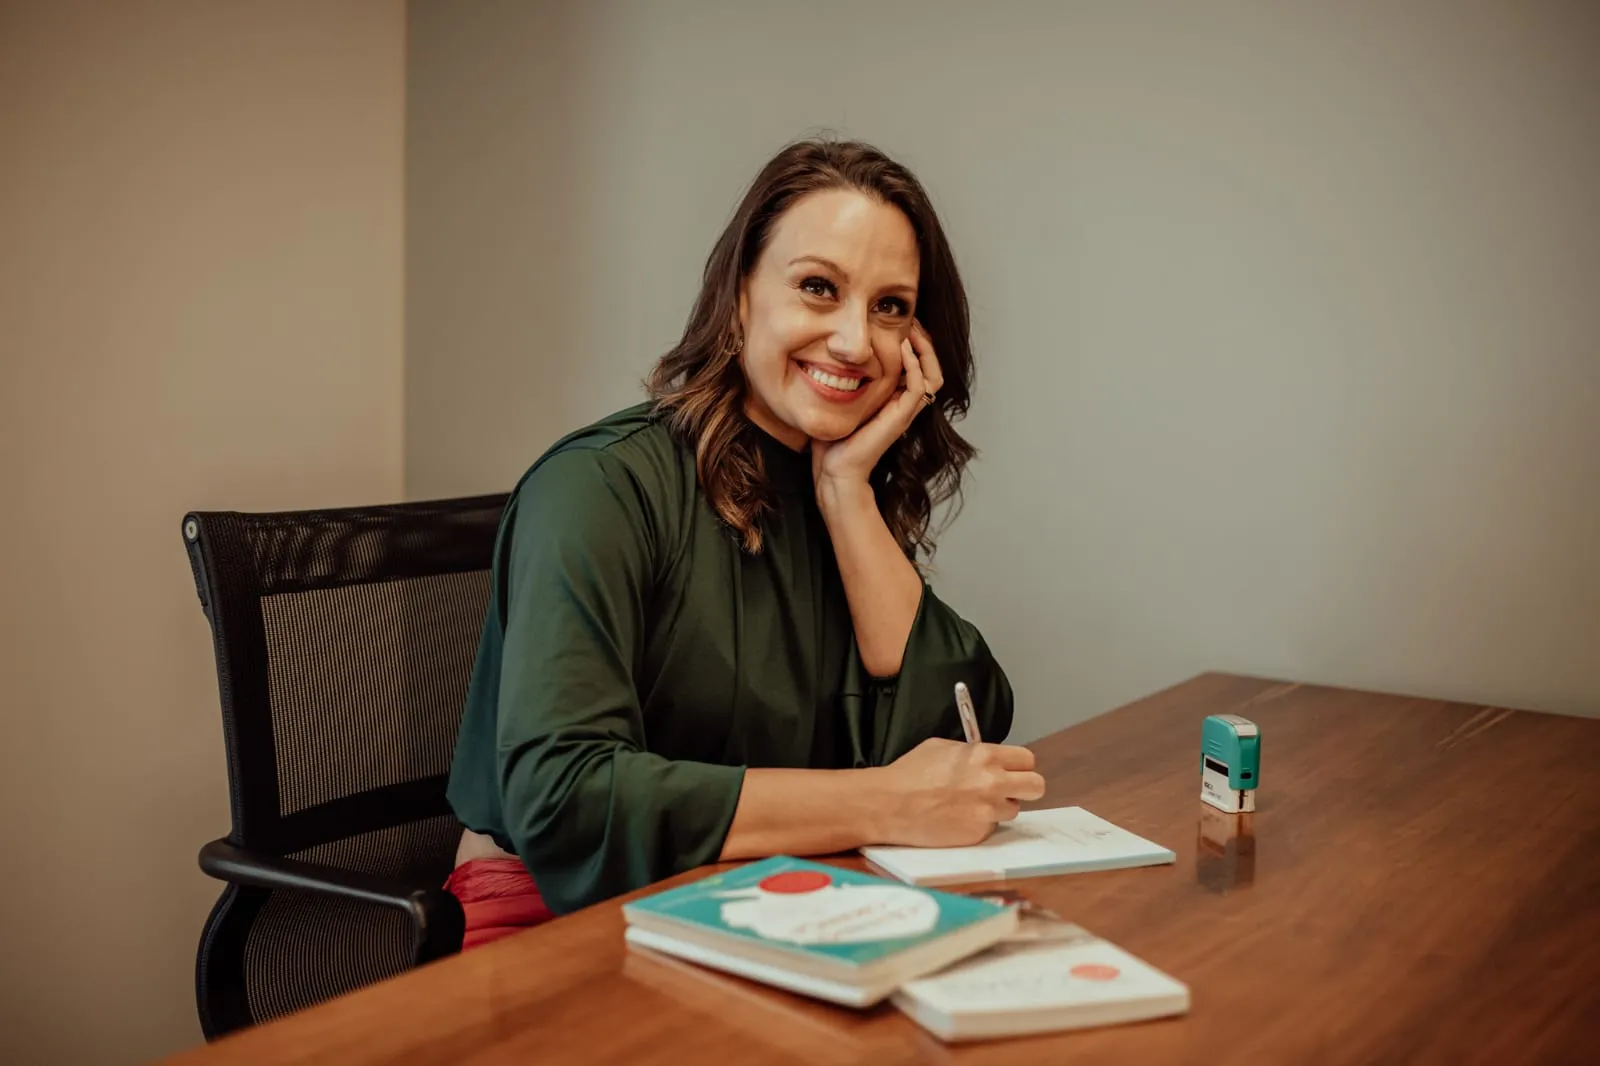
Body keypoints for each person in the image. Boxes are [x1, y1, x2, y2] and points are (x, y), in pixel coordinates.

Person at [443, 137, 1044, 949]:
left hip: (772, 900)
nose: (855, 342)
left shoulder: (833, 490)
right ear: (739, 297)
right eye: (817, 288)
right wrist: (882, 802)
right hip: (560, 923)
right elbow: (565, 798)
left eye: (891, 306)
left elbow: (964, 725)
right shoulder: (597, 488)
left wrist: (846, 494)